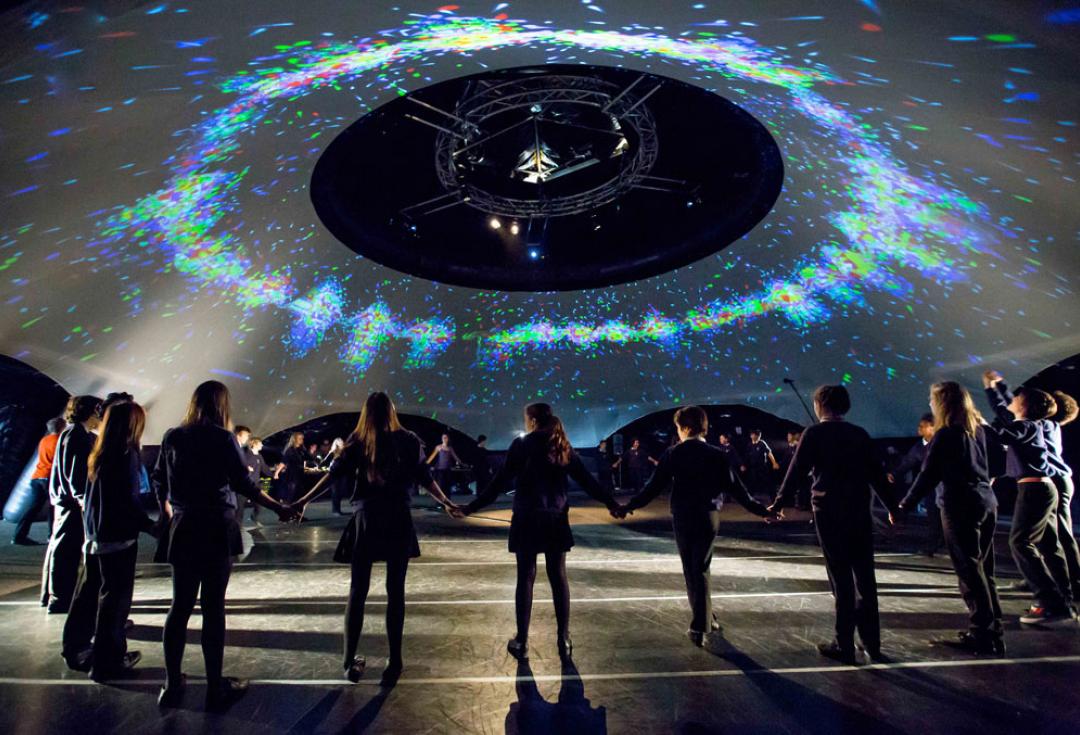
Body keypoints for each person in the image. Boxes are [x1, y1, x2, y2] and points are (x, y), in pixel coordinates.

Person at [291, 393, 458, 686]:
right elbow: (424, 477)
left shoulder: (358, 441)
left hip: (367, 519)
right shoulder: (407, 439)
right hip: (397, 517)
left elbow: (332, 475)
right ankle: (395, 660)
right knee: (396, 592)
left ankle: (349, 661)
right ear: (392, 411)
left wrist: (303, 500)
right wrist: (445, 502)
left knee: (358, 591)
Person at [152, 381, 297, 711]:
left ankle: (172, 684)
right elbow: (243, 483)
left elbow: (159, 477)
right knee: (213, 608)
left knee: (180, 607)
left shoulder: (173, 436)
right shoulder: (222, 438)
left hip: (185, 527)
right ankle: (214, 688)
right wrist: (279, 508)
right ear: (222, 405)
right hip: (216, 526)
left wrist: (170, 510)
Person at [456, 403, 621, 661]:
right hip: (555, 517)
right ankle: (563, 638)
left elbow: (498, 483)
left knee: (526, 577)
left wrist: (470, 508)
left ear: (531, 420)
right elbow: (587, 481)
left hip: (526, 517)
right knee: (558, 577)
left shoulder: (522, 445)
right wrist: (612, 503)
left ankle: (521, 640)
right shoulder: (561, 444)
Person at [616, 406, 777, 647]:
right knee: (701, 567)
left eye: (678, 428)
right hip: (708, 515)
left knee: (691, 569)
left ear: (686, 428)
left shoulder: (673, 453)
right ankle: (705, 617)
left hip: (682, 515)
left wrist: (628, 506)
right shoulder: (717, 455)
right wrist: (762, 511)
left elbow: (652, 487)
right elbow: (738, 490)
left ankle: (700, 625)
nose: (677, 432)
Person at [768, 385, 898, 664]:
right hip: (859, 511)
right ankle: (872, 643)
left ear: (819, 405)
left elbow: (796, 473)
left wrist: (778, 503)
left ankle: (844, 643)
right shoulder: (859, 434)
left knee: (840, 576)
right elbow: (876, 474)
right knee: (865, 576)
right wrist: (894, 507)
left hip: (829, 511)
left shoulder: (814, 433)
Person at [895, 382, 1004, 656]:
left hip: (960, 505)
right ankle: (993, 631)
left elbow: (928, 475)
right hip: (987, 501)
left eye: (932, 400)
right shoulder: (977, 429)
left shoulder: (945, 435)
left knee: (968, 570)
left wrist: (904, 505)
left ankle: (981, 634)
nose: (930, 405)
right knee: (984, 570)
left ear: (942, 404)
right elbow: (999, 460)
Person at [65, 401, 157, 680]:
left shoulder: (100, 451)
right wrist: (151, 527)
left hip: (95, 535)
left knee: (88, 595)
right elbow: (127, 501)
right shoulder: (125, 454)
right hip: (117, 539)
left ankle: (76, 648)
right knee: (114, 602)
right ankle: (108, 661)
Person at [982, 370, 1072, 625]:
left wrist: (980, 420)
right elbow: (1004, 415)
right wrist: (994, 387)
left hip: (1035, 490)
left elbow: (1000, 429)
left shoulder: (1026, 426)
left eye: (1018, 398)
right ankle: (1059, 601)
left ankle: (1051, 603)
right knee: (1045, 544)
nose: (1014, 399)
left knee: (1020, 543)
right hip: (1039, 489)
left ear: (1025, 406)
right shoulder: (1028, 425)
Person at [41, 395, 102, 614]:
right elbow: (75, 475)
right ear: (91, 412)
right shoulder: (76, 435)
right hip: (71, 503)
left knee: (62, 547)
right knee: (66, 549)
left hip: (68, 501)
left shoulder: (73, 433)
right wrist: (83, 500)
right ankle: (60, 598)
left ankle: (55, 595)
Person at [888, 414, 944, 556]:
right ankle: (933, 545)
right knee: (933, 517)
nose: (919, 429)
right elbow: (908, 462)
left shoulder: (942, 443)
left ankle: (942, 542)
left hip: (945, 487)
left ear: (932, 427)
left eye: (923, 426)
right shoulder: (920, 446)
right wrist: (894, 474)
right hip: (931, 488)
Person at [1046, 391, 1080, 603]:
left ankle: (1074, 582)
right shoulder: (1051, 428)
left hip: (1057, 481)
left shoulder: (1048, 427)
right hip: (1060, 480)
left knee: (1062, 533)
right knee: (1052, 533)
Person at [16, 417, 66, 546]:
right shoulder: (60, 441)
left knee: (33, 508)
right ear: (61, 427)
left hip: (37, 476)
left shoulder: (44, 440)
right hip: (49, 477)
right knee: (54, 507)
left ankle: (19, 535)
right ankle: (52, 536)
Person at [239, 433, 282, 524]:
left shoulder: (259, 456)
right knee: (240, 506)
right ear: (254, 444)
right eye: (260, 443)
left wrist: (273, 475)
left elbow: (264, 468)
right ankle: (238, 524)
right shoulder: (246, 455)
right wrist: (246, 467)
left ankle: (254, 517)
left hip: (256, 484)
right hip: (245, 483)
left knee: (259, 503)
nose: (262, 445)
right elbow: (240, 464)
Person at [744, 429, 780, 499]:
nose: (758, 436)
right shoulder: (749, 445)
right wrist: (744, 465)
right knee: (751, 484)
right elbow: (747, 456)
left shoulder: (762, 443)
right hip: (753, 468)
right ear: (752, 435)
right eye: (755, 434)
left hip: (762, 468)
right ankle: (749, 498)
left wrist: (774, 463)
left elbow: (769, 453)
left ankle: (774, 498)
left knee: (768, 483)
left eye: (759, 435)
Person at [280, 432, 313, 504]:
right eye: (300, 439)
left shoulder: (302, 449)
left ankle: (297, 513)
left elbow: (309, 458)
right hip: (292, 475)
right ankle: (288, 509)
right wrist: (277, 472)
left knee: (300, 496)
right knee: (292, 494)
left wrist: (311, 452)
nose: (302, 440)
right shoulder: (290, 450)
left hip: (300, 475)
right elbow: (284, 461)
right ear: (295, 440)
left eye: (302, 438)